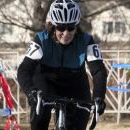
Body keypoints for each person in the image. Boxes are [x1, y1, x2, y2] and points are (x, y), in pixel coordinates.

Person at [17, 0, 107, 130]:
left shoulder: (86, 41)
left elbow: (98, 71)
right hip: (46, 80)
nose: (66, 33)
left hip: (75, 82)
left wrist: (99, 96)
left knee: (80, 121)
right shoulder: (42, 39)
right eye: (61, 28)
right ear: (53, 26)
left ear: (76, 26)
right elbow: (24, 70)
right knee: (40, 115)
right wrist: (31, 92)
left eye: (71, 28)